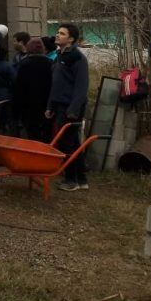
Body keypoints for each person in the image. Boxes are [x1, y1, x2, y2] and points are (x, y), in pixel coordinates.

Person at [45, 23, 90, 191]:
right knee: (72, 143)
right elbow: (56, 85)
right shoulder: (59, 56)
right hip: (59, 106)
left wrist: (73, 109)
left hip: (70, 109)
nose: (57, 35)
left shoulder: (77, 58)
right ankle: (82, 179)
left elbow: (81, 87)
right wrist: (50, 106)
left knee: (66, 144)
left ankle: (72, 180)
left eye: (61, 33)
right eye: (57, 32)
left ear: (71, 39)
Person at [13, 37, 53, 142]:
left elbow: (19, 88)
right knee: (47, 134)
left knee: (32, 135)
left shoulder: (23, 64)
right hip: (47, 106)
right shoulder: (51, 63)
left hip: (28, 106)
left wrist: (17, 109)